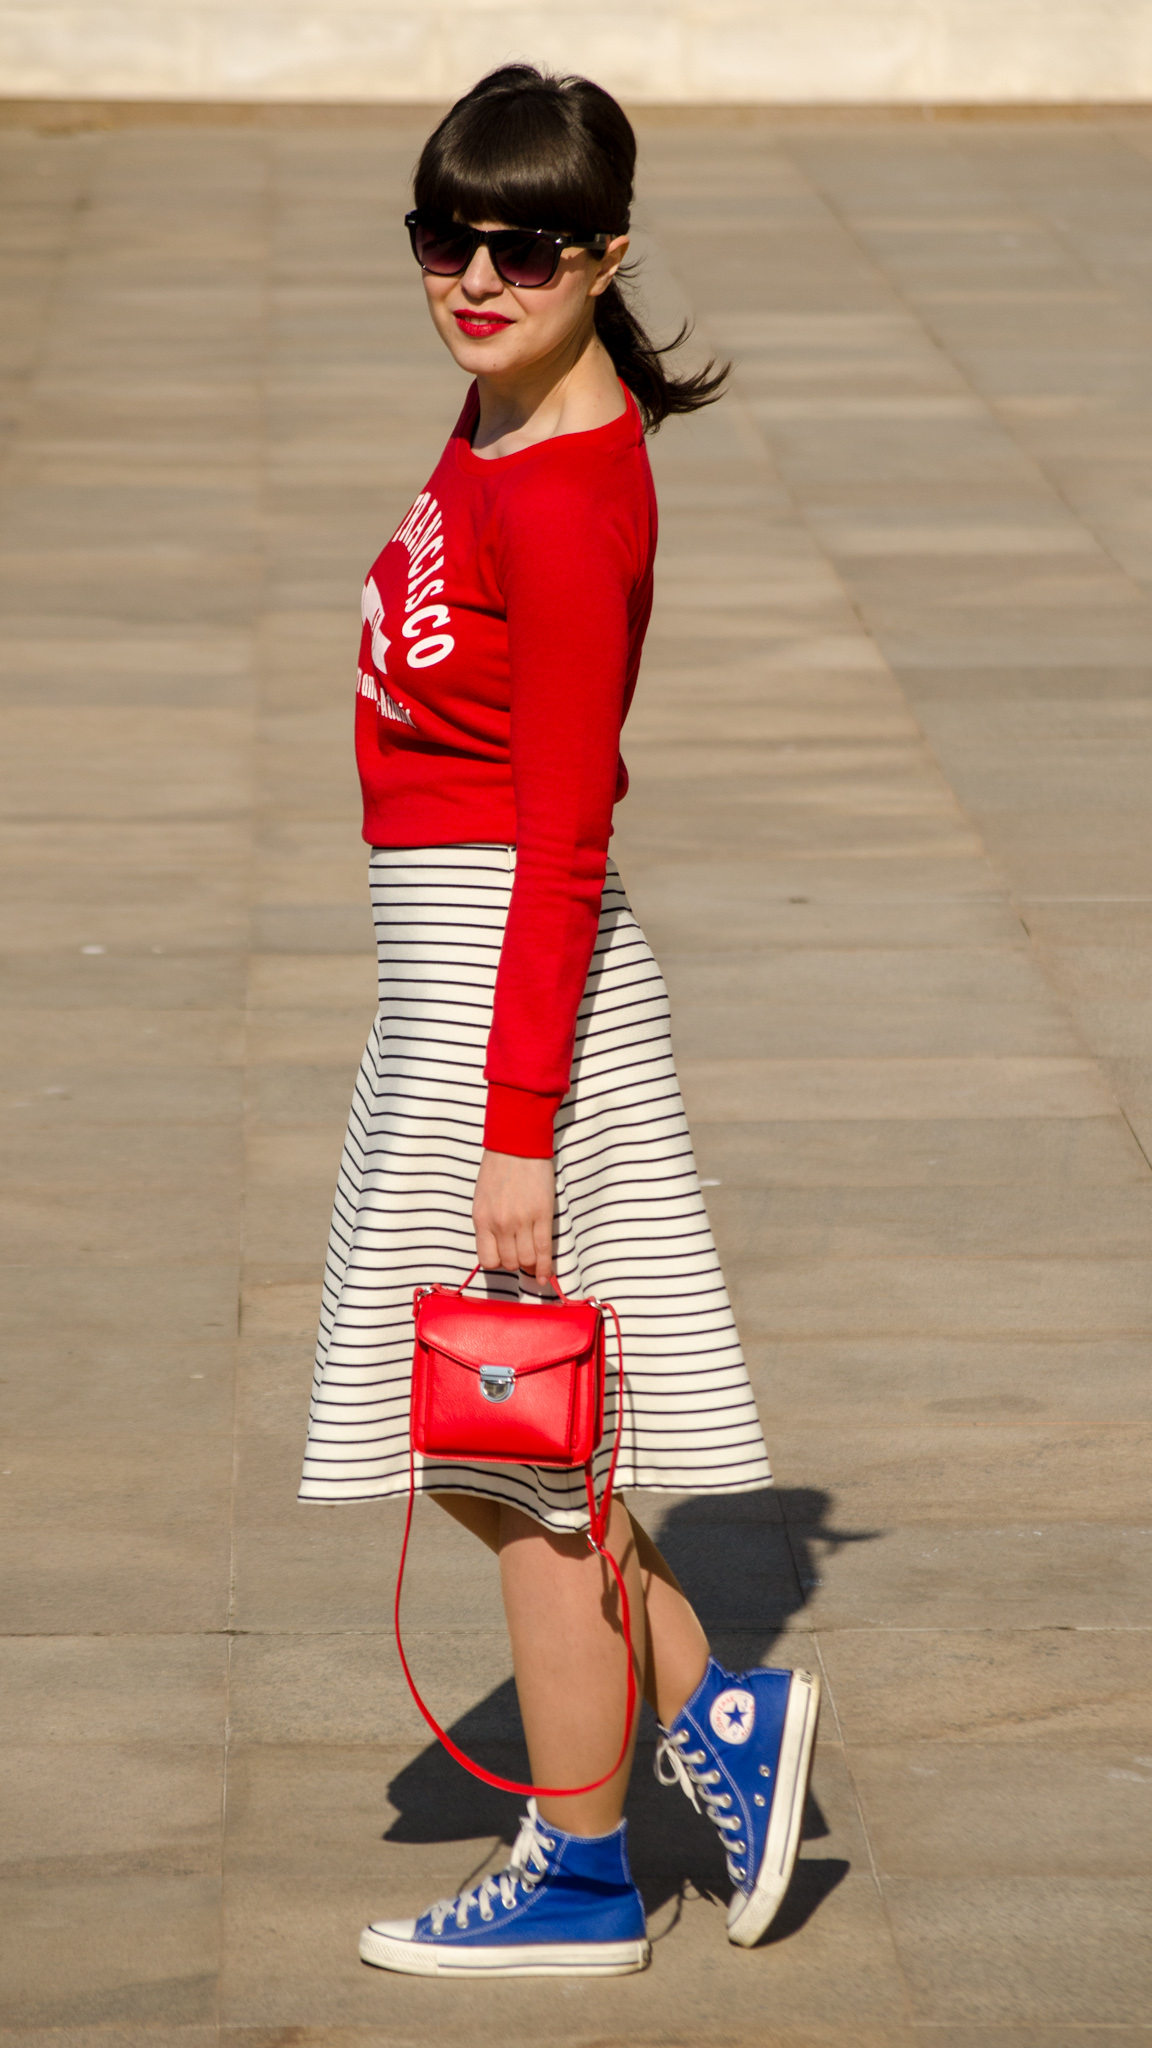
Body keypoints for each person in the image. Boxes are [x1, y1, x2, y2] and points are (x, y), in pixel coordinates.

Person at [299, 63, 820, 1979]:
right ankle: (720, 1716)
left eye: (525, 246)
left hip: (514, 995)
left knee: (520, 1460)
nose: (477, 276)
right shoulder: (504, 408)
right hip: (447, 986)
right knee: (507, 1437)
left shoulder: (578, 499)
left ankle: (585, 1875)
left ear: (606, 255)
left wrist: (517, 1119)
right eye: (447, 237)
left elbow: (567, 829)